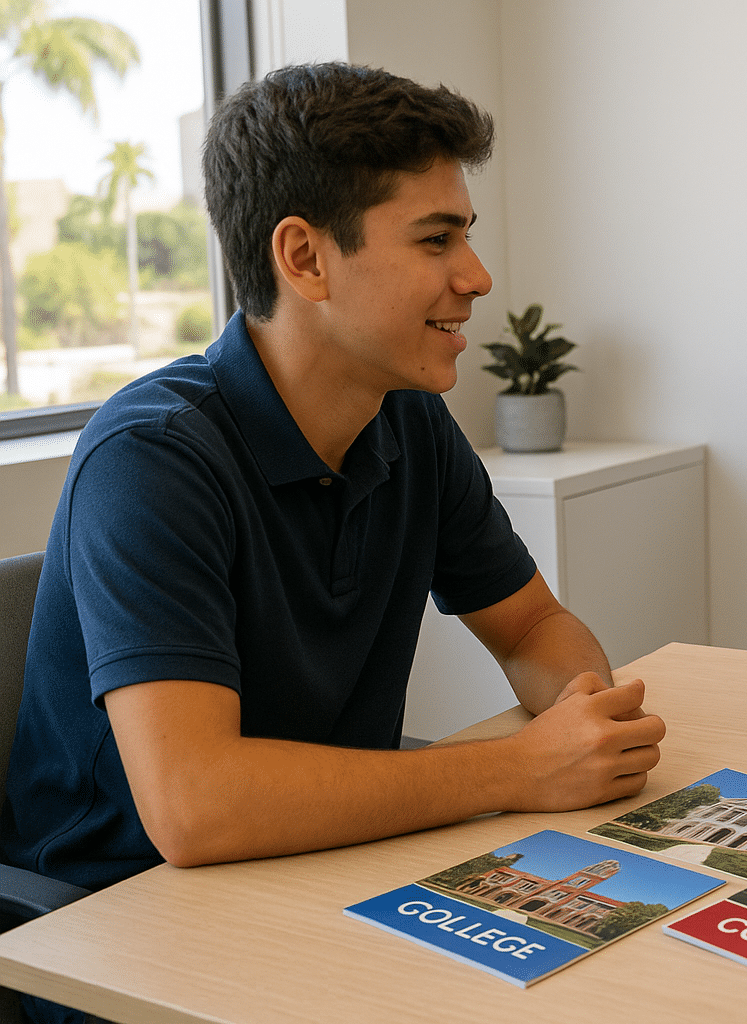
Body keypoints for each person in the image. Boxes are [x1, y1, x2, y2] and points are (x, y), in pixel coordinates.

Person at [1, 62, 664, 976]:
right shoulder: (150, 457)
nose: (475, 276)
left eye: (465, 236)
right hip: (125, 936)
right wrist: (520, 770)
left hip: (329, 878)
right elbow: (196, 806)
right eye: (435, 241)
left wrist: (581, 710)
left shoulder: (408, 421)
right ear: (305, 258)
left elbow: (532, 625)